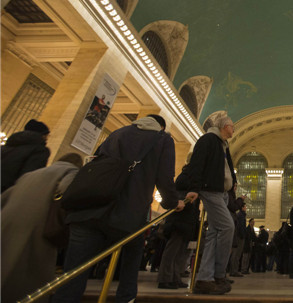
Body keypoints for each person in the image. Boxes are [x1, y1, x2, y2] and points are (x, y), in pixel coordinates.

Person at [53, 115, 187, 303]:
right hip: (129, 215)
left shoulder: (117, 133)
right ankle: (125, 298)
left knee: (73, 275)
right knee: (129, 265)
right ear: (161, 127)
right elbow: (165, 178)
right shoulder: (162, 139)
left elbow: (96, 163)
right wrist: (173, 203)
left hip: (89, 209)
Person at [1, 153, 83, 303]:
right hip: (38, 223)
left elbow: (5, 197)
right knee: (31, 272)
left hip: (8, 222)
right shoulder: (71, 172)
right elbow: (67, 191)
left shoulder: (31, 174)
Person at [189, 115, 237, 295]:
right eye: (233, 127)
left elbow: (227, 168)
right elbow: (196, 164)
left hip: (222, 193)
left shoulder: (223, 144)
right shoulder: (208, 140)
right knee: (227, 227)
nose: (234, 130)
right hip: (211, 191)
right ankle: (218, 274)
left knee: (213, 235)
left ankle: (204, 278)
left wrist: (233, 182)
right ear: (225, 126)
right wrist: (194, 188)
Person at [157, 161, 201, 289]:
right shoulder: (187, 176)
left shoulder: (191, 176)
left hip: (187, 218)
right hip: (179, 218)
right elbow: (178, 193)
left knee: (180, 251)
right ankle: (164, 278)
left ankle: (175, 277)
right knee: (172, 250)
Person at [1, 119, 51, 192]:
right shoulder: (40, 150)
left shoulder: (5, 147)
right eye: (46, 135)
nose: (47, 138)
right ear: (42, 135)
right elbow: (28, 177)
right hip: (8, 192)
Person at [229, 202, 247, 277]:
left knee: (236, 254)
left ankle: (234, 270)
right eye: (245, 207)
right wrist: (242, 235)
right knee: (236, 254)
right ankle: (234, 271)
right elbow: (240, 227)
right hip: (239, 237)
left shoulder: (241, 215)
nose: (246, 208)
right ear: (242, 207)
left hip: (238, 236)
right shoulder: (240, 215)